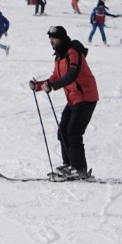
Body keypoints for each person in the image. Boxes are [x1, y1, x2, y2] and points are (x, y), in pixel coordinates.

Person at [29, 25, 99, 180]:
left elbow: (72, 75)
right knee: (63, 131)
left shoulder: (73, 52)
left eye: (54, 38)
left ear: (61, 38)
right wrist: (38, 86)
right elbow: (55, 77)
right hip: (74, 99)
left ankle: (79, 169)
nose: (51, 41)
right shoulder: (59, 57)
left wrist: (52, 86)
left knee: (74, 132)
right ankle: (69, 165)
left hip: (86, 97)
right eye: (50, 38)